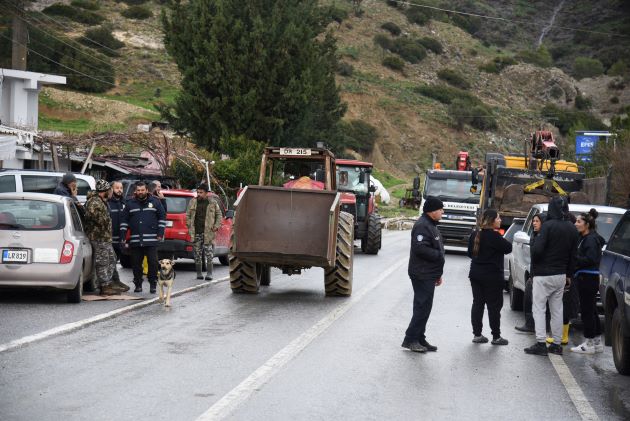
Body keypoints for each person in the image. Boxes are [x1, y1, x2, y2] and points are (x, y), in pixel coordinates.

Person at [525, 196, 578, 356]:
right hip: (561, 275)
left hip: (543, 274)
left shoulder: (547, 226)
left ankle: (541, 343)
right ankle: (556, 344)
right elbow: (573, 255)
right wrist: (569, 274)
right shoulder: (572, 228)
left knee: (539, 308)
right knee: (557, 309)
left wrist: (534, 246)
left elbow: (537, 251)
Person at [402, 196, 445, 353]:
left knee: (425, 307)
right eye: (440, 209)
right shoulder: (422, 226)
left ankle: (420, 337)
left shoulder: (430, 224)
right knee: (421, 307)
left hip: (429, 273)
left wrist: (437, 274)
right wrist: (438, 255)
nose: (442, 212)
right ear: (432, 211)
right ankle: (410, 339)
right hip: (422, 273)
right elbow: (420, 248)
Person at [467, 209, 512, 345]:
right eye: (498, 218)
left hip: (475, 274)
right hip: (492, 276)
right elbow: (508, 248)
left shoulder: (475, 234)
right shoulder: (495, 236)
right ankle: (496, 336)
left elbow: (470, 253)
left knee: (478, 304)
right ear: (492, 221)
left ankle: (477, 334)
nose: (500, 220)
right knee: (494, 306)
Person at [120, 181, 166, 293]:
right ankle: (138, 284)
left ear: (147, 190)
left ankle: (153, 284)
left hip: (151, 240)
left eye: (142, 190)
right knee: (136, 264)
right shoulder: (130, 203)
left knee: (153, 263)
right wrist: (123, 236)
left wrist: (160, 233)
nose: (140, 192)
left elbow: (162, 218)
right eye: (138, 190)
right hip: (135, 240)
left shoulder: (155, 202)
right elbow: (124, 221)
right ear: (135, 191)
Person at [571, 209, 605, 354]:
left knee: (586, 311)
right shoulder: (585, 237)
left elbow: (590, 259)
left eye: (579, 222)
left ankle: (589, 343)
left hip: (588, 277)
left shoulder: (590, 239)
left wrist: (574, 260)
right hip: (586, 277)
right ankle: (597, 342)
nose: (576, 224)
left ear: (587, 225)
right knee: (592, 310)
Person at [84, 180, 119, 296]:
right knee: (103, 261)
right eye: (109, 190)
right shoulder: (94, 202)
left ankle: (108, 283)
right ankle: (104, 286)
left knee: (112, 258)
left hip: (105, 237)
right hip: (98, 237)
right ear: (105, 191)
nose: (110, 193)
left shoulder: (101, 201)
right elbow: (96, 219)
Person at [186, 183, 223, 280]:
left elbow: (219, 215)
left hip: (208, 233)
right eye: (198, 192)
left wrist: (216, 226)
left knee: (209, 253)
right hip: (196, 232)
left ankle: (209, 273)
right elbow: (188, 215)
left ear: (206, 193)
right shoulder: (193, 202)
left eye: (201, 192)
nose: (199, 194)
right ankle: (199, 273)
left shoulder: (213, 203)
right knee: (197, 253)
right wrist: (189, 226)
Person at [515, 213, 545, 333]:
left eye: (537, 221)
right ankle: (530, 323)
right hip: (533, 272)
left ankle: (538, 327)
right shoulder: (534, 235)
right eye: (533, 221)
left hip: (542, 274)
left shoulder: (544, 237)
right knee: (528, 296)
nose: (534, 223)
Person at [108, 180, 129, 292]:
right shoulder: (107, 203)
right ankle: (110, 283)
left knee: (115, 261)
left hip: (121, 239)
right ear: (112, 189)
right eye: (117, 188)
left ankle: (115, 281)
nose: (119, 190)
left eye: (121, 188)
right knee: (109, 261)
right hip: (109, 238)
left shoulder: (125, 203)